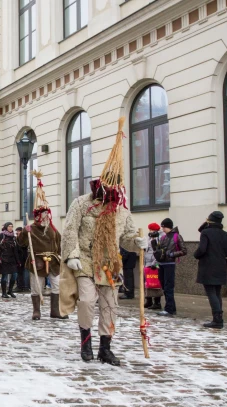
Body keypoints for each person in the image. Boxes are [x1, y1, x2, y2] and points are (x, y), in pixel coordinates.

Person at [61, 118, 146, 366]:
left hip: (110, 264)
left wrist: (137, 242)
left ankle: (105, 348)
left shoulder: (121, 211)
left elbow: (127, 236)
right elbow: (70, 231)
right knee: (87, 301)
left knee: (110, 306)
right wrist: (72, 254)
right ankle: (86, 343)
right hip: (86, 261)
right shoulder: (82, 204)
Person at [18, 170, 64, 320]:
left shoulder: (53, 230)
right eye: (42, 214)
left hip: (53, 262)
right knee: (37, 286)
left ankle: (55, 311)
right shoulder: (31, 229)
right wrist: (25, 232)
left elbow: (59, 243)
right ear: (38, 216)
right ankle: (36, 311)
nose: (45, 217)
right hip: (36, 261)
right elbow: (21, 243)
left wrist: (62, 256)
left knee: (56, 285)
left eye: (46, 214)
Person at [194, 211, 227, 329]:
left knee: (211, 292)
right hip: (220, 265)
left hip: (208, 266)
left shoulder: (206, 232)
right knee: (217, 292)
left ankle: (217, 320)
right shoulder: (225, 234)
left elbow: (202, 249)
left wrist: (196, 254)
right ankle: (218, 318)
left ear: (209, 221)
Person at [152, 218, 187, 317]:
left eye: (163, 227)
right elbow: (159, 251)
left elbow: (184, 250)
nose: (162, 229)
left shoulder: (177, 236)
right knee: (164, 285)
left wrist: (172, 254)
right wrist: (154, 245)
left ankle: (169, 309)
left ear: (167, 226)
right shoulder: (163, 237)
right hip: (162, 264)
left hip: (169, 264)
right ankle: (171, 308)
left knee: (168, 287)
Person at [0, 222, 19, 299]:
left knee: (15, 275)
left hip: (12, 258)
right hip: (4, 258)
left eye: (12, 226)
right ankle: (3, 292)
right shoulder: (2, 235)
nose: (10, 228)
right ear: (6, 227)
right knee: (5, 276)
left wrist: (18, 260)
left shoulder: (13, 237)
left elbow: (16, 249)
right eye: (9, 226)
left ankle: (10, 290)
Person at [144, 223, 163, 310]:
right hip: (147, 263)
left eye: (151, 229)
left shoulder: (160, 237)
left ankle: (157, 302)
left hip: (154, 263)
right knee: (147, 282)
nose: (149, 231)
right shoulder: (148, 237)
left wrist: (155, 263)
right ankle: (148, 300)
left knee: (155, 283)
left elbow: (157, 251)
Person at [15, 227, 29, 292]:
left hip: (24, 257)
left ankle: (25, 286)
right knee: (20, 273)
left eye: (18, 231)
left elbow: (23, 246)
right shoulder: (16, 239)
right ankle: (20, 286)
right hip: (19, 258)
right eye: (17, 231)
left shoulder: (24, 239)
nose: (17, 233)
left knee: (25, 272)